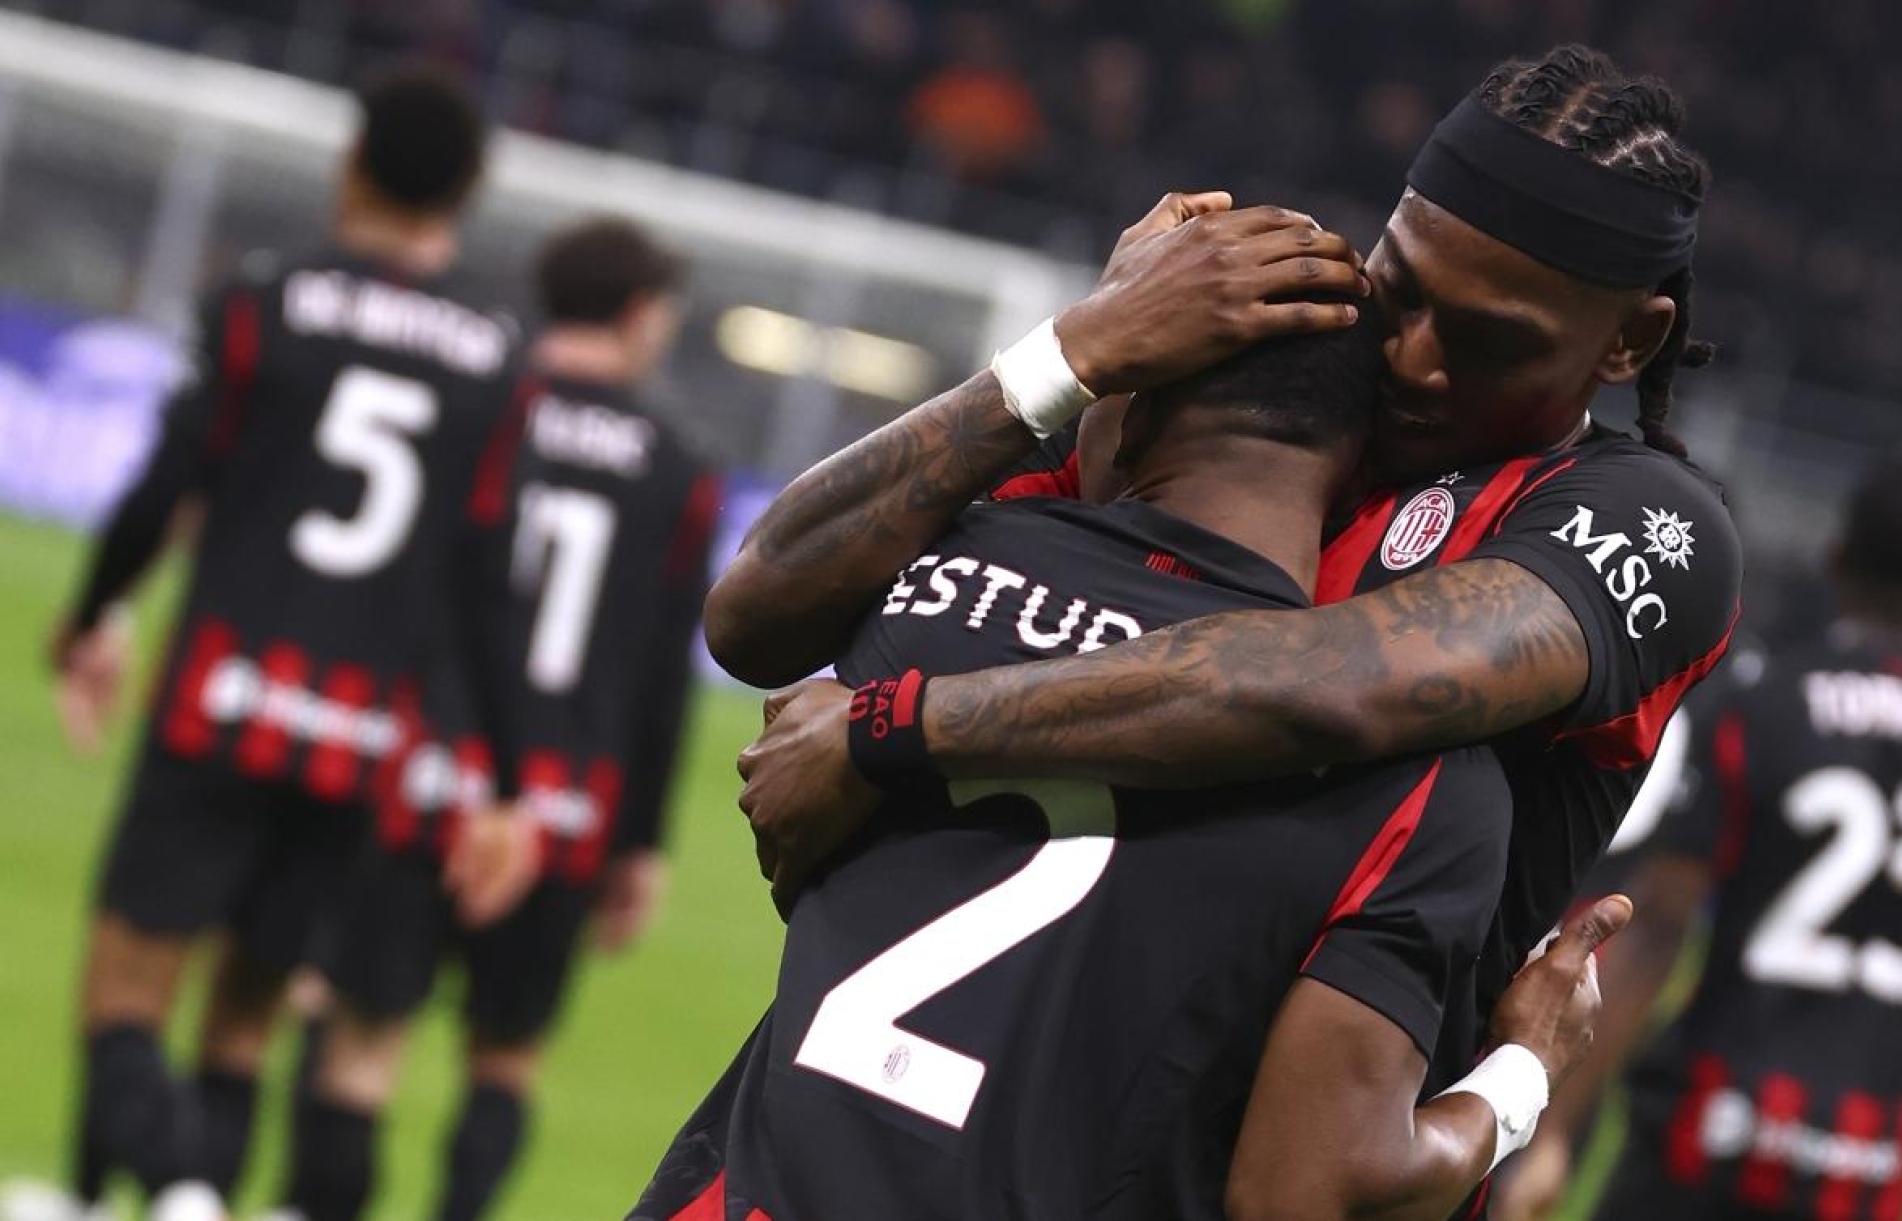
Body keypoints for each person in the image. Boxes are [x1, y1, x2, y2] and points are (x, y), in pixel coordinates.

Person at [722, 39, 1738, 1141]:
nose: (1414, 360)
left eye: (1491, 340)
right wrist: (1076, 351)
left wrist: (893, 727)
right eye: (1399, 290)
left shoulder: (1646, 521)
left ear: (1630, 342)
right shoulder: (1279, 389)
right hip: (986, 1118)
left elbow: (1340, 688)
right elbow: (758, 613)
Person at [634, 301, 1628, 1221]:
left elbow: (768, 667)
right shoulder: (1425, 784)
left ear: (1133, 410)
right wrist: (1524, 1072)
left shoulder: (937, 585)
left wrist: (1072, 349)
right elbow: (1305, 1192)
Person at [25, 67, 531, 1221]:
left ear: (351, 167)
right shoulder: (497, 364)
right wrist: (504, 783)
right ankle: (188, 1192)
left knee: (123, 997)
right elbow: (486, 584)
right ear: (465, 195)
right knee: (247, 1021)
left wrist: (97, 614)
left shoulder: (265, 302)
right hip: (359, 738)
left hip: (220, 700)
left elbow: (166, 482)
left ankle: (173, 1194)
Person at [276, 218, 718, 1221]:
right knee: (505, 1058)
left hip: (424, 773)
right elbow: (663, 675)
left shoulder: (482, 407)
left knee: (358, 1034)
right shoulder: (679, 468)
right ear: (639, 313)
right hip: (567, 806)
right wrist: (639, 843)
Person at [1493, 454, 1902, 1221]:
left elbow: (1661, 926)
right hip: (1866, 1167)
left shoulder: (1764, 708)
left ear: (1836, 557)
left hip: (1710, 1136)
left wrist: (1555, 1132)